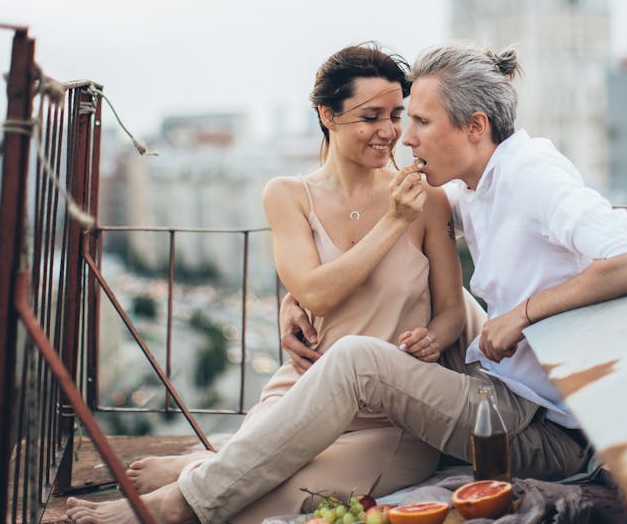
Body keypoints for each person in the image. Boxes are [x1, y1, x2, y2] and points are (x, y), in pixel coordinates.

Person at [66, 43, 627, 524]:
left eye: (416, 119)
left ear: (475, 126)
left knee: (352, 368)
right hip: (501, 391)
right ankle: (207, 471)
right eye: (391, 118)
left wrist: (522, 313)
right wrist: (296, 297)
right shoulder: (472, 187)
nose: (404, 137)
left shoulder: (528, 175)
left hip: (542, 427)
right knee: (332, 388)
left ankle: (186, 502)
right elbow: (365, 262)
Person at [80, 44, 465, 523]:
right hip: (301, 395)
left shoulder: (425, 201)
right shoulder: (287, 194)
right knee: (254, 477)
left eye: (395, 114)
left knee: (259, 502)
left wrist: (434, 338)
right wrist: (392, 222)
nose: (389, 132)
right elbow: (317, 292)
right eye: (370, 116)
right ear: (327, 114)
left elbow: (450, 309)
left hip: (392, 420)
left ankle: (187, 484)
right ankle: (203, 472)